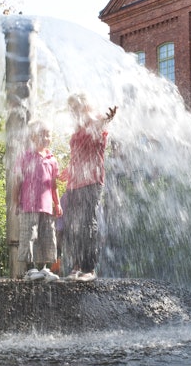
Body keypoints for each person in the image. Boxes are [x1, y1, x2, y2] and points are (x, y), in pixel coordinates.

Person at [61, 93, 117, 282]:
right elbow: (76, 157)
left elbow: (102, 124)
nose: (73, 111)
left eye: (76, 107)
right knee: (72, 226)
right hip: (74, 182)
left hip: (91, 181)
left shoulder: (95, 122)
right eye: (71, 108)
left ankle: (89, 268)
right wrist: (65, 172)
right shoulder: (77, 130)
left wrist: (108, 119)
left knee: (86, 224)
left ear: (85, 106)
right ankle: (76, 266)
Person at [12, 120, 63, 281]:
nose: (47, 138)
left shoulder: (52, 159)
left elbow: (53, 184)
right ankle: (30, 269)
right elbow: (17, 181)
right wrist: (15, 201)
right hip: (29, 205)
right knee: (29, 235)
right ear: (33, 137)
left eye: (49, 135)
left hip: (47, 207)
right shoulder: (25, 156)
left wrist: (58, 203)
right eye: (43, 134)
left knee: (47, 237)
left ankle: (44, 269)